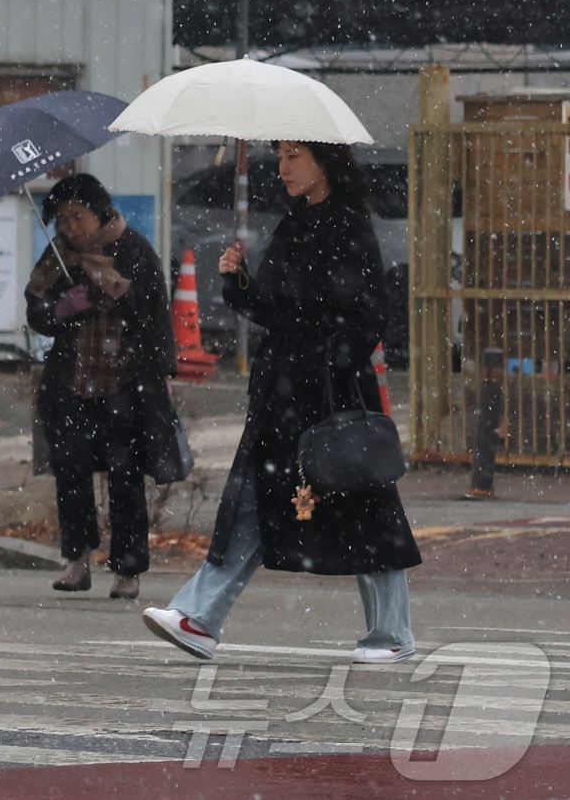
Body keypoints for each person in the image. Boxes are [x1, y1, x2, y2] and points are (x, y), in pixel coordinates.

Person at [143, 140, 421, 664]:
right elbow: (276, 306)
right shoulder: (299, 219)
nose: (284, 167)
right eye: (281, 155)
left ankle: (393, 633)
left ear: (324, 162)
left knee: (364, 506)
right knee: (254, 498)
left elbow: (369, 318)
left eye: (295, 155)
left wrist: (325, 354)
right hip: (284, 391)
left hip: (333, 394)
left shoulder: (348, 225)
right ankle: (200, 618)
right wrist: (238, 280)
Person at [25, 174, 179, 600]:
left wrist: (163, 371)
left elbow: (155, 313)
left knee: (124, 476)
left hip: (123, 384)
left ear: (101, 212)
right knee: (70, 473)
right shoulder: (57, 257)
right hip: (71, 383)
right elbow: (35, 309)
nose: (71, 227)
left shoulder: (133, 251)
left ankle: (128, 569)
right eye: (63, 219)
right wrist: (60, 308)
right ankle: (77, 559)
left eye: (79, 216)